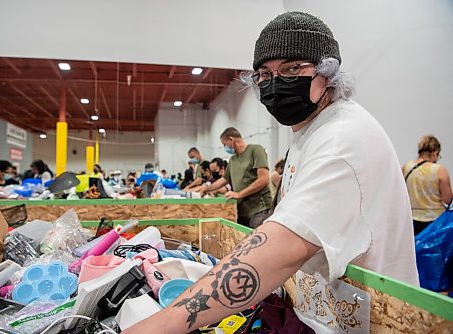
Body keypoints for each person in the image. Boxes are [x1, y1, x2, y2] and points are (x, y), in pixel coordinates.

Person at [124, 11, 418, 334]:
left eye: (292, 68)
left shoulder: (341, 140)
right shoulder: (308, 135)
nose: (276, 83)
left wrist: (160, 325)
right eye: (264, 74)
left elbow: (280, 249)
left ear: (327, 73)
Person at [202, 127, 272, 228]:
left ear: (231, 140)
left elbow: (263, 179)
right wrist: (206, 189)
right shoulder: (233, 160)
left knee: (257, 241)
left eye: (224, 144)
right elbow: (223, 180)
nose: (225, 148)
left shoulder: (256, 150)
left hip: (259, 210)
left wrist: (239, 194)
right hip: (241, 210)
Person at [402, 135, 452, 235]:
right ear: (434, 152)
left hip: (411, 220)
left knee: (415, 249)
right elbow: (448, 199)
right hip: (434, 222)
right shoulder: (439, 170)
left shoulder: (406, 167)